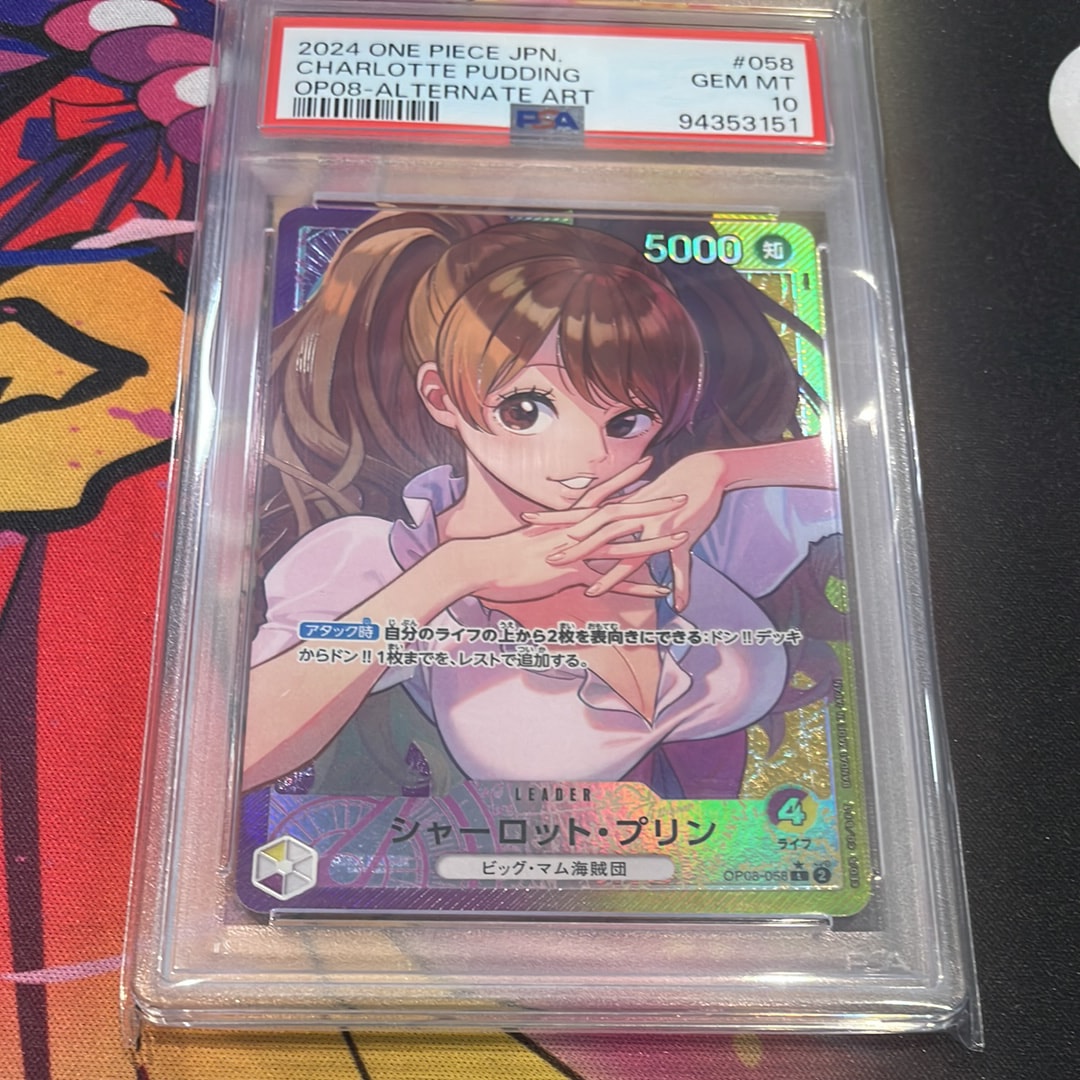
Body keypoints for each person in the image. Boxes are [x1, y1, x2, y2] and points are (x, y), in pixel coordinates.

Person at [243, 211, 834, 796]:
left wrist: (725, 468)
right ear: (441, 398)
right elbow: (238, 755)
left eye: (627, 420)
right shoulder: (387, 563)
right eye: (525, 410)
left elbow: (869, 465)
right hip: (509, 859)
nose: (590, 455)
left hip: (729, 854)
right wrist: (456, 571)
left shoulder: (678, 519)